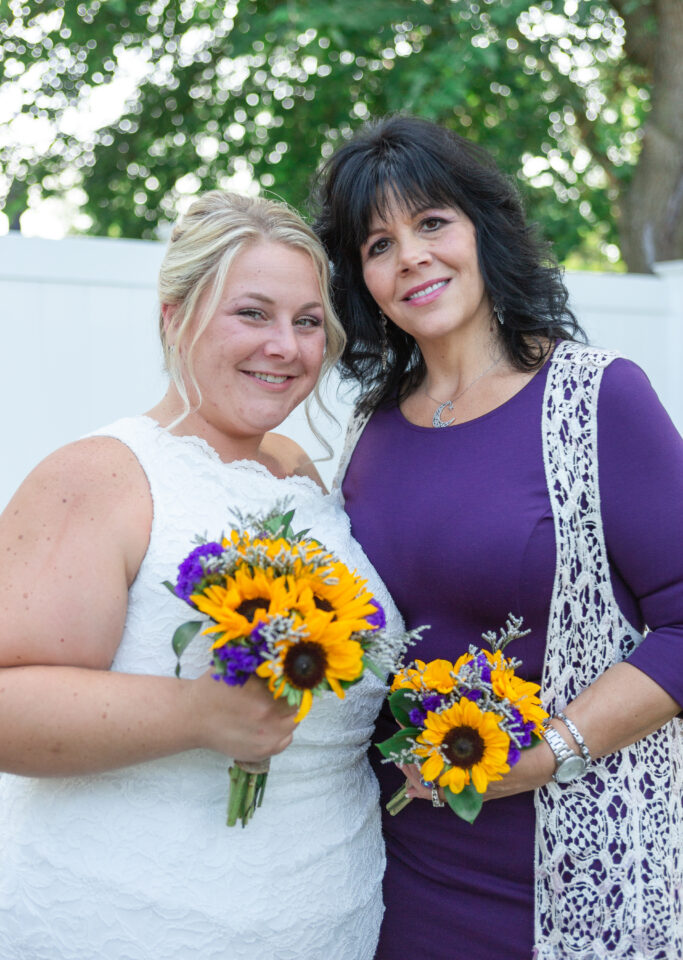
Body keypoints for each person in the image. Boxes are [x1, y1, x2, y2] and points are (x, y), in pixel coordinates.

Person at [312, 115, 683, 960]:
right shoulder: (368, 432)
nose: (409, 256)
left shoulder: (597, 399)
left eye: (432, 222)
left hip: (574, 864)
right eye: (378, 243)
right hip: (399, 870)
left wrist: (549, 752)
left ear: (484, 231)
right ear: (360, 279)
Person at [0, 191, 403, 960]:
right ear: (173, 316)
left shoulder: (298, 474)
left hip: (326, 915)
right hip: (134, 920)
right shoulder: (102, 474)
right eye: (251, 313)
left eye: (307, 321)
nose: (285, 346)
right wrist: (196, 714)